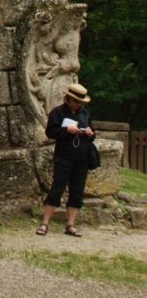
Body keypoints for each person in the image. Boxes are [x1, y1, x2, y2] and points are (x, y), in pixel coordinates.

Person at [36, 83, 96, 237]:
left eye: (80, 102)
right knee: (57, 188)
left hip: (81, 158)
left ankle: (70, 224)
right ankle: (45, 222)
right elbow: (50, 132)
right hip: (64, 156)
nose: (78, 104)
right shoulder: (57, 112)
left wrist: (90, 133)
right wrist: (67, 131)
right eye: (76, 101)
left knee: (77, 190)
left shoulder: (85, 114)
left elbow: (92, 132)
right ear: (68, 99)